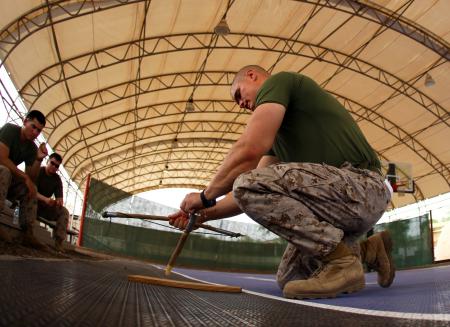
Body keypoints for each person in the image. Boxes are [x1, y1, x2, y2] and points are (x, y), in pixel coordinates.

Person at [169, 65, 395, 299]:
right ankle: (369, 251)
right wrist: (201, 215)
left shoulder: (279, 82)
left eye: (239, 94)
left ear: (252, 76)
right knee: (290, 277)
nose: (241, 104)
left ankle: (342, 263)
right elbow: (246, 195)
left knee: (247, 181)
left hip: (364, 187)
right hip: (340, 204)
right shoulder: (279, 138)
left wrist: (205, 196)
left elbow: (249, 151)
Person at [0, 110, 48, 248]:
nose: (35, 132)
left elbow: (31, 177)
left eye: (39, 131)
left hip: (5, 178)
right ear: (25, 121)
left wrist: (38, 159)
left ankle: (28, 233)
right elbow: (2, 158)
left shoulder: (31, 147)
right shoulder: (10, 130)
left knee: (31, 188)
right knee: (5, 171)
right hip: (2, 172)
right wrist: (24, 177)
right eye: (33, 127)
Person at [36, 153, 69, 252]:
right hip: (32, 201)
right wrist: (45, 199)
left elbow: (60, 199)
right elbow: (31, 190)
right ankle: (26, 233)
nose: (54, 167)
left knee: (64, 211)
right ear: (47, 161)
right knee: (30, 197)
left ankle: (58, 242)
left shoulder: (57, 179)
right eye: (52, 163)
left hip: (44, 207)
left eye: (57, 166)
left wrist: (57, 202)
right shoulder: (39, 171)